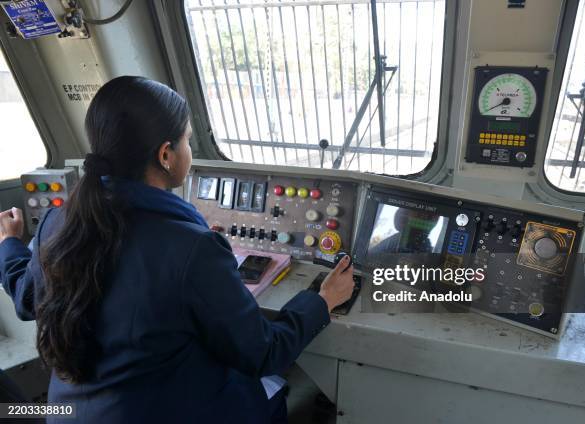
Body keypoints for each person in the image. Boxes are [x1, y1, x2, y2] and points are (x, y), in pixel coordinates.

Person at [0, 76, 355, 423]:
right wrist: (322, 300)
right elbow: (264, 352)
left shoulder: (58, 222)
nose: (189, 148)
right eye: (186, 139)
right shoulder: (192, 249)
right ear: (166, 154)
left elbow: (26, 298)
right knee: (275, 392)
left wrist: (9, 244)